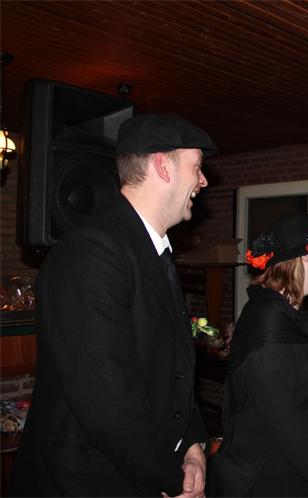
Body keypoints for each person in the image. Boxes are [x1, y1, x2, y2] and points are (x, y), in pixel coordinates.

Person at [11, 114, 215, 496]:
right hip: (87, 483)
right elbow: (108, 403)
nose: (202, 181)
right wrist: (172, 481)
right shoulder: (91, 252)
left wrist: (192, 446)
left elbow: (175, 371)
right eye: (196, 167)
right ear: (162, 166)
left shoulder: (152, 251)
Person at [208, 213, 308, 497]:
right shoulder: (268, 322)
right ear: (306, 258)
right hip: (268, 476)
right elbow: (286, 422)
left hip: (292, 470)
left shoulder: (288, 316)